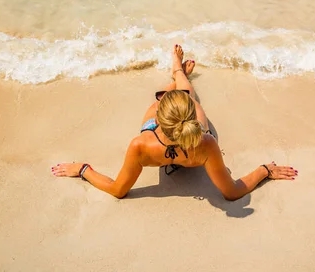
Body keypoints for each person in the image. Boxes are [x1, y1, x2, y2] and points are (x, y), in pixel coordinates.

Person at [52, 45, 298, 200]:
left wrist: (84, 169)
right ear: (193, 118)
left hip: (157, 136)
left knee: (165, 97)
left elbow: (118, 190)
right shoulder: (206, 141)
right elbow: (232, 192)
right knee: (186, 94)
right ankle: (179, 77)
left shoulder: (140, 145)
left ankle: (175, 79)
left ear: (159, 119)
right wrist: (265, 170)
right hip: (190, 131)